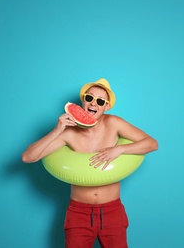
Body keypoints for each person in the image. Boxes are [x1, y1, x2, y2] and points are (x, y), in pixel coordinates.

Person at [22, 78, 158, 248]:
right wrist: (57, 130)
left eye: (100, 101)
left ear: (106, 107)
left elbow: (152, 144)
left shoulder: (114, 123)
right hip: (78, 212)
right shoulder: (68, 133)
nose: (94, 103)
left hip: (112, 210)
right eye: (90, 98)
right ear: (83, 100)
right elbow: (28, 157)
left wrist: (119, 149)